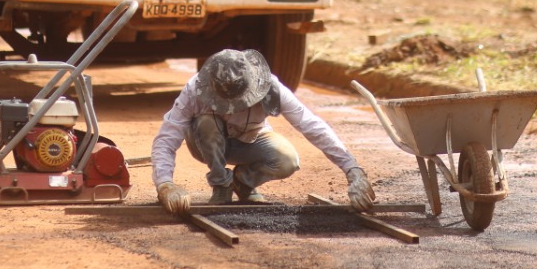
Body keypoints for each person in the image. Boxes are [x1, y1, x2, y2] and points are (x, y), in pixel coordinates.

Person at [151, 48, 376, 216]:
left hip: (252, 139)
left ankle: (242, 182)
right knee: (206, 123)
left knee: (287, 160)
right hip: (205, 143)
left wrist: (352, 169)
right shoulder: (195, 90)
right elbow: (167, 138)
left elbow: (310, 123)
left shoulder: (272, 88)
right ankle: (221, 184)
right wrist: (165, 185)